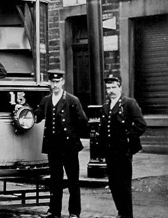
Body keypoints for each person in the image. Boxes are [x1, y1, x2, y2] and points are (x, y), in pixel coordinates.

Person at [35, 69, 88, 218]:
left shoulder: (72, 100)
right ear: (49, 82)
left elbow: (82, 121)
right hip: (53, 147)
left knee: (73, 181)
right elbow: (37, 116)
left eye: (58, 82)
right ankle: (54, 211)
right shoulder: (46, 100)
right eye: (52, 81)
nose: (55, 84)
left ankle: (74, 212)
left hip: (69, 147)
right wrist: (24, 111)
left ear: (63, 82)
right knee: (55, 181)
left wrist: (73, 136)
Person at [98, 74, 146, 218]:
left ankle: (126, 215)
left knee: (124, 186)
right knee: (113, 184)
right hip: (110, 152)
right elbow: (103, 130)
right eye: (108, 88)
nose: (111, 90)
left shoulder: (129, 103)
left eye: (113, 87)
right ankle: (121, 212)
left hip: (123, 152)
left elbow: (141, 124)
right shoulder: (106, 106)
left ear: (120, 88)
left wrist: (127, 138)